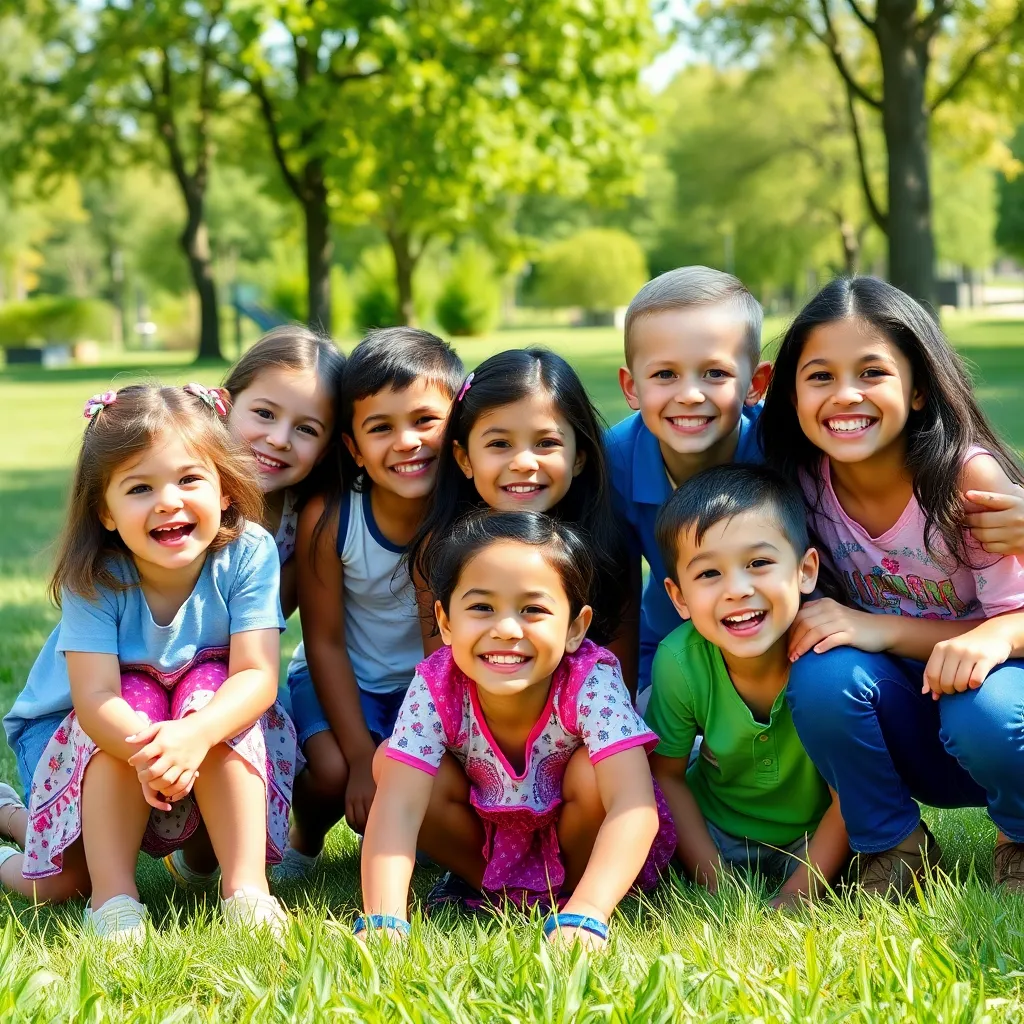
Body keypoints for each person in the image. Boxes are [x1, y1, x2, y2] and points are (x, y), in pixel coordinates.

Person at [0, 384, 296, 941]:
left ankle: (247, 891)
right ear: (106, 513)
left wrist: (193, 736)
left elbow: (256, 676)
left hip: (197, 724)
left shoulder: (248, 552)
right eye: (139, 487)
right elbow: (95, 700)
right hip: (82, 733)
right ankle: (102, 891)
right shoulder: (97, 574)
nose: (168, 501)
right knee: (61, 884)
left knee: (213, 685)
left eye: (189, 479)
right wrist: (160, 748)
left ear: (226, 490)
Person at [760, 276, 1024, 897]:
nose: (845, 395)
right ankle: (893, 847)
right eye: (819, 376)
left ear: (921, 388)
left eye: (872, 373)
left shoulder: (965, 478)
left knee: (978, 700)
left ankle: (1019, 837)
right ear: (791, 394)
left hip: (995, 713)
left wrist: (885, 629)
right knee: (823, 673)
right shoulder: (799, 483)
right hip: (906, 713)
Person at [359, 510, 674, 947]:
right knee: (392, 762)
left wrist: (589, 913)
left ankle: (574, 900)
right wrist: (383, 921)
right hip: (486, 844)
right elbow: (398, 807)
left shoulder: (591, 680)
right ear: (446, 623)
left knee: (592, 772)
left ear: (575, 628)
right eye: (482, 607)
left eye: (533, 609)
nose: (506, 629)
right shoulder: (436, 683)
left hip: (582, 843)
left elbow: (632, 807)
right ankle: (493, 890)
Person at [275, 328, 464, 880]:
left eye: (425, 421)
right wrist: (361, 758)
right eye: (381, 428)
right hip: (340, 677)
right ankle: (304, 838)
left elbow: (442, 653)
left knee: (435, 770)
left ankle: (424, 830)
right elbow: (324, 642)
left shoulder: (463, 520)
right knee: (332, 771)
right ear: (354, 447)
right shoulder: (332, 519)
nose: (406, 442)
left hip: (426, 684)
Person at [646, 465, 848, 909]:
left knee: (876, 844)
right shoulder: (679, 661)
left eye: (758, 564)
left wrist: (797, 895)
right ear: (678, 598)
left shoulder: (831, 662)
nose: (737, 589)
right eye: (708, 575)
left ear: (805, 571)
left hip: (813, 835)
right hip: (714, 829)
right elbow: (667, 775)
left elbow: (849, 794)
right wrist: (715, 880)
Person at [606, 267, 772, 693]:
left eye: (714, 373)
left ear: (755, 384)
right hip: (667, 651)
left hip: (778, 650)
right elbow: (619, 599)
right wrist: (622, 707)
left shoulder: (782, 450)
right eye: (665, 375)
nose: (690, 395)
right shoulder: (617, 460)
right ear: (632, 387)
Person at [409, 348, 627, 662]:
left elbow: (620, 681)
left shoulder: (607, 546)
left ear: (579, 456)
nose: (524, 462)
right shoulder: (440, 548)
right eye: (500, 444)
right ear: (464, 458)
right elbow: (442, 676)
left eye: (546, 443)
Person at [223, 325, 345, 617]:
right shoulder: (179, 491)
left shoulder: (301, 525)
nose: (278, 439)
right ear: (225, 405)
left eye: (306, 429)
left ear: (324, 451)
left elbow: (267, 625)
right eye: (265, 414)